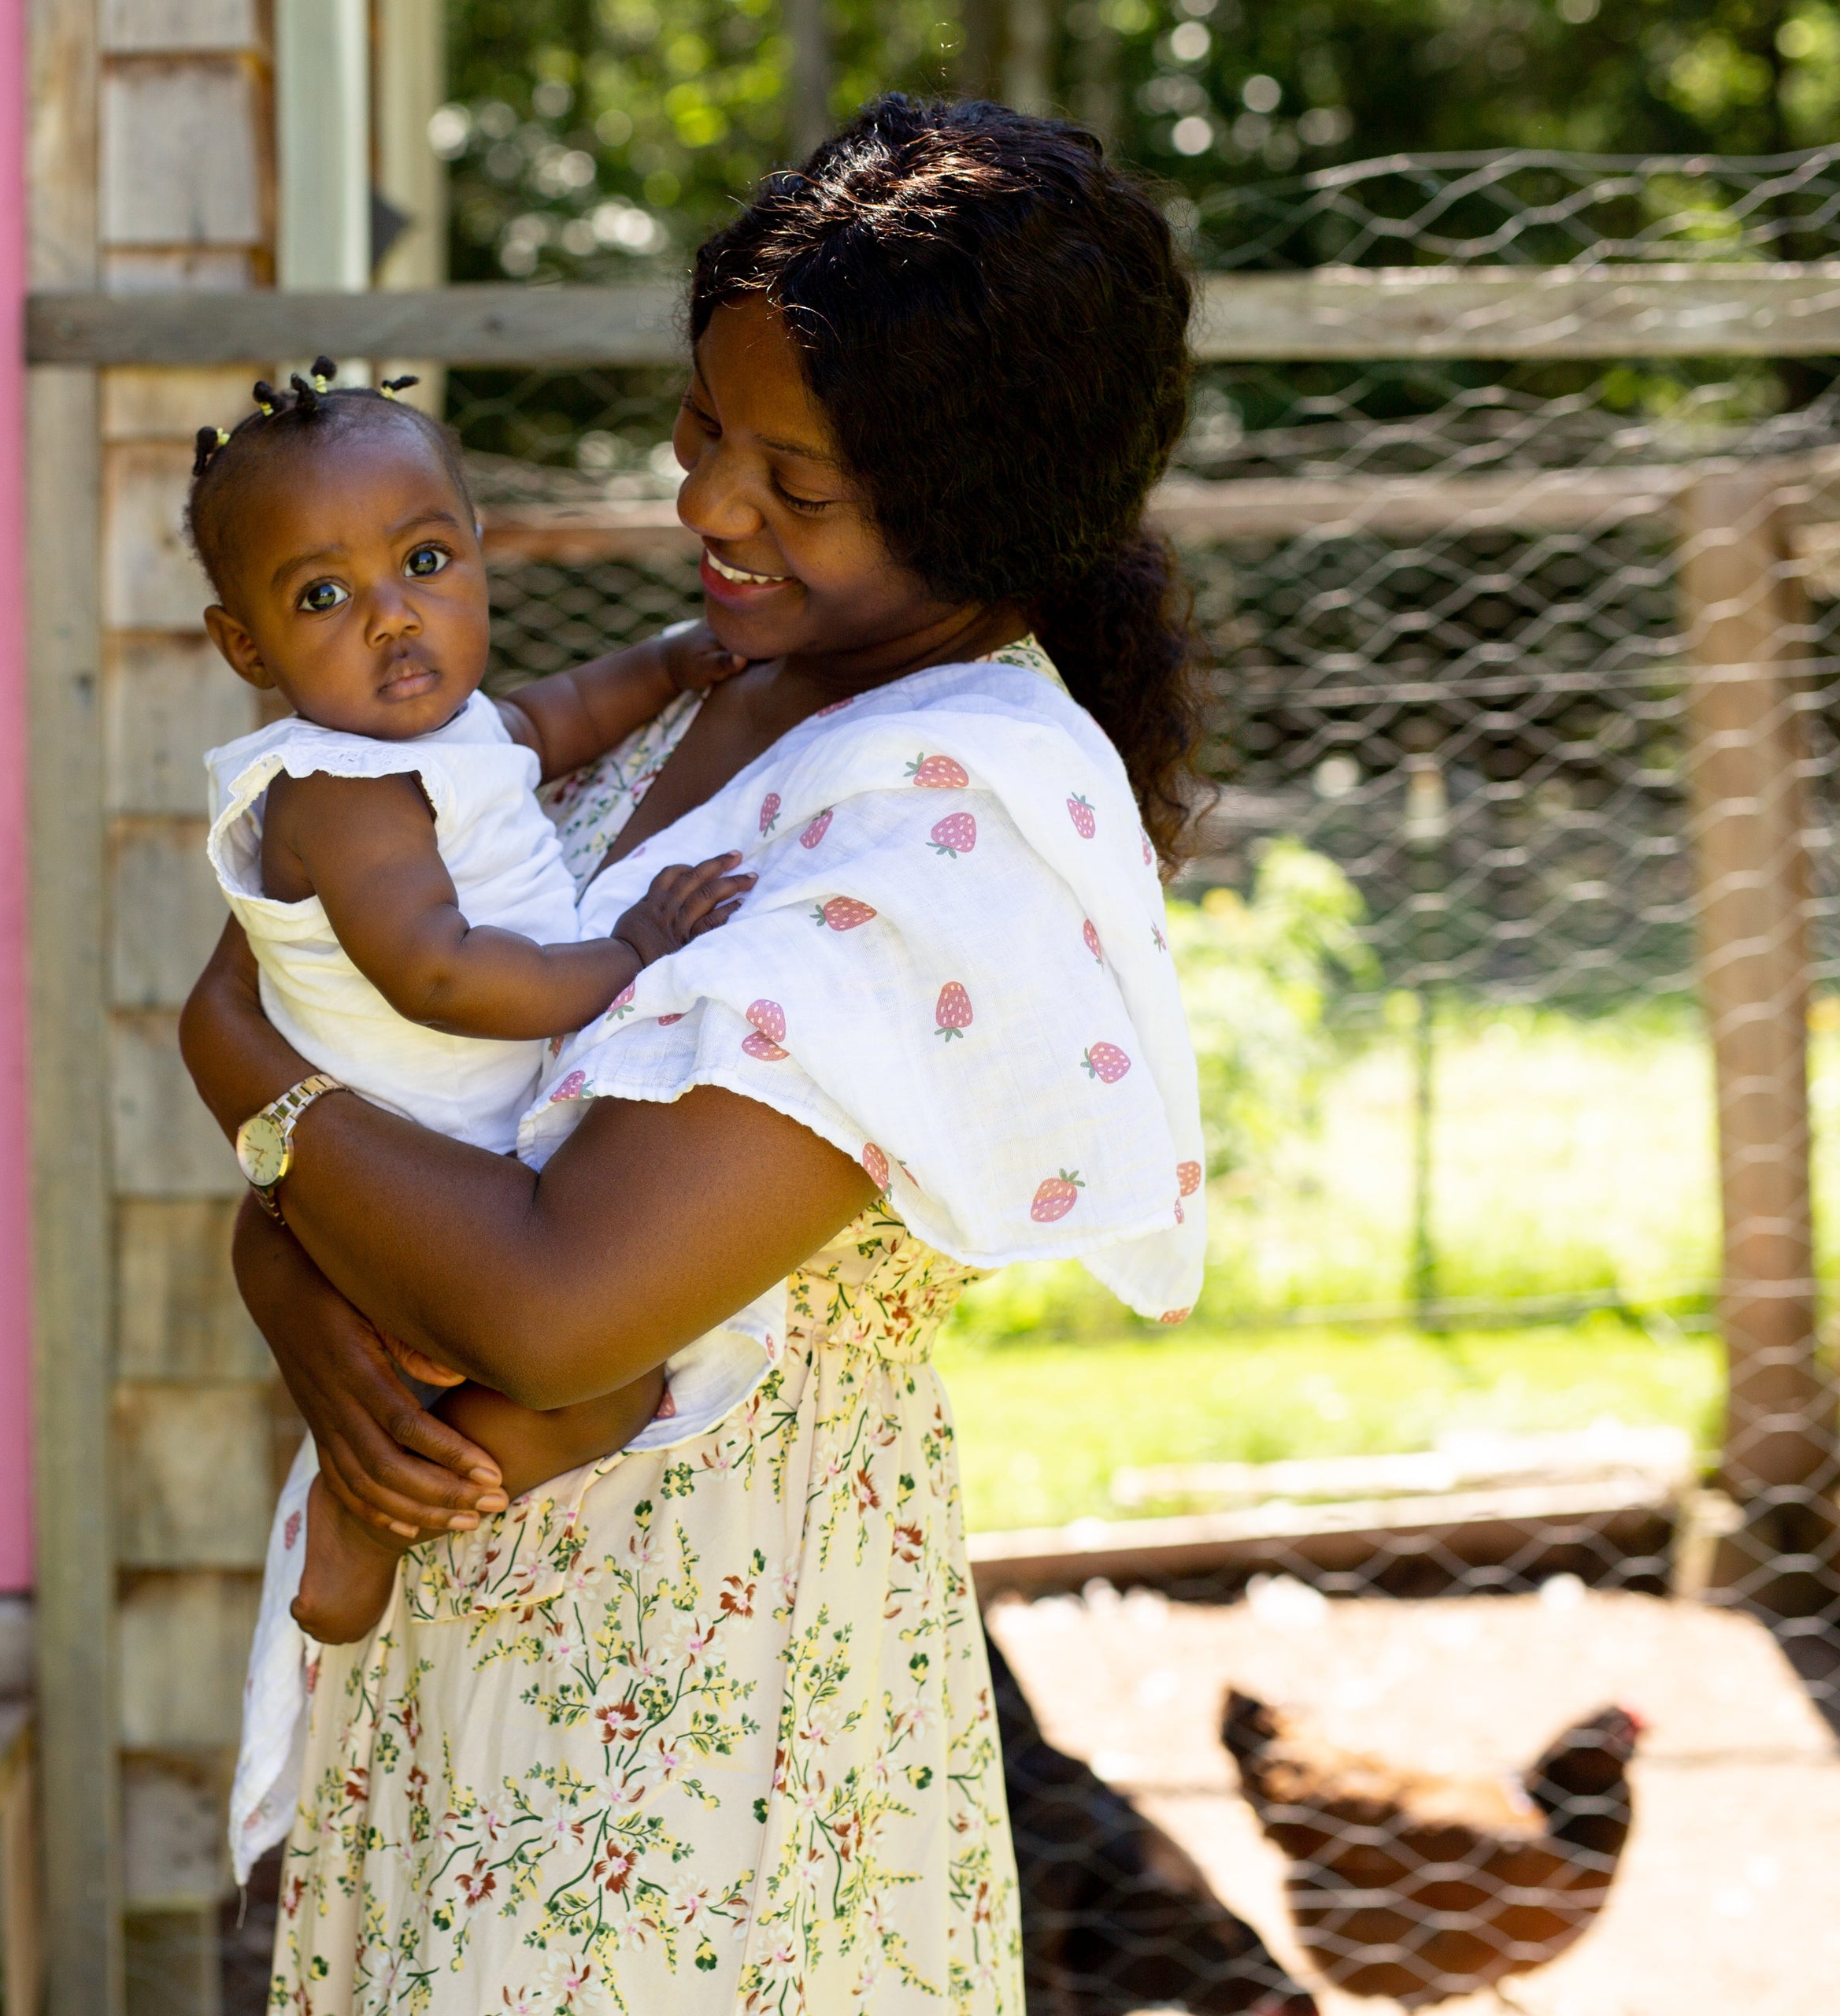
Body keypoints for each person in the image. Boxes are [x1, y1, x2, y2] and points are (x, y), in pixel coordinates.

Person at [184, 96, 1209, 2013]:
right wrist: (297, 1283)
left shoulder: (952, 817)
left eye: (792, 482)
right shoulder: (723, 687)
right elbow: (393, 1062)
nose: (710, 507)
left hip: (698, 1749)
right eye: (702, 427)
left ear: (976, 505)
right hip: (484, 1655)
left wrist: (244, 1076)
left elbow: (553, 1300)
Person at [184, 360, 765, 1648]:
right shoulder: (337, 791)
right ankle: (370, 1511)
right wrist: (628, 953)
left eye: (425, 562)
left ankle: (396, 1477)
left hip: (457, 1169)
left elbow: (559, 717)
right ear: (247, 646)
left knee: (608, 1380)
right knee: (595, 1387)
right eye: (324, 595)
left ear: (479, 553)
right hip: (417, 1185)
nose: (392, 617)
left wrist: (672, 663)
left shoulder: (451, 736)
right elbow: (437, 973)